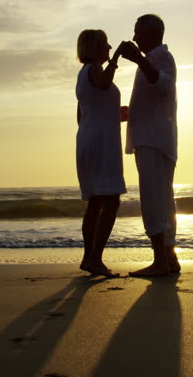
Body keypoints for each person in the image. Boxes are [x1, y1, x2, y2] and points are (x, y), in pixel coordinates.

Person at [119, 14, 180, 277]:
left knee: (154, 200)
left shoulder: (160, 57)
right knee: (163, 199)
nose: (134, 38)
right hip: (153, 136)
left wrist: (139, 59)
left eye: (137, 32)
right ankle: (168, 258)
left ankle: (161, 261)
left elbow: (164, 85)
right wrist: (128, 112)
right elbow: (154, 99)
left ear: (152, 33)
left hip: (153, 139)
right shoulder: (152, 60)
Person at [75, 29, 128, 277]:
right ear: (95, 47)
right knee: (111, 201)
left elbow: (83, 116)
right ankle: (95, 258)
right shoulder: (95, 68)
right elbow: (105, 83)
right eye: (106, 45)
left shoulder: (82, 75)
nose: (108, 49)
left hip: (88, 140)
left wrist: (116, 115)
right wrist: (117, 57)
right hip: (102, 144)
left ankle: (89, 257)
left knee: (95, 203)